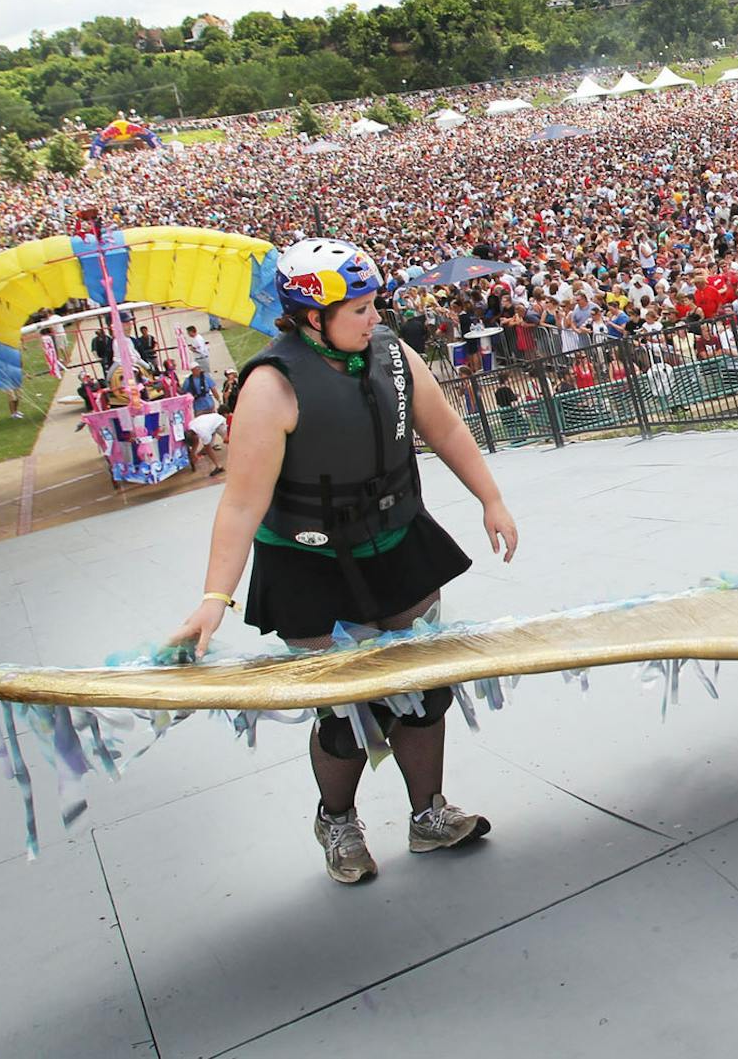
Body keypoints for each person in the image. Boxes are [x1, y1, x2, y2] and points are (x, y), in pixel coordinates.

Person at [164, 237, 520, 885]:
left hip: (397, 545)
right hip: (309, 568)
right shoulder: (273, 386)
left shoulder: (392, 353)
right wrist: (214, 600)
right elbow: (242, 505)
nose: (373, 317)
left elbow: (445, 429)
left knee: (421, 693)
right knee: (346, 711)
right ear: (309, 315)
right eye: (358, 307)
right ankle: (338, 820)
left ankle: (428, 815)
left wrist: (490, 498)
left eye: (373, 303)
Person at [184, 409, 229, 476]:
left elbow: (208, 449)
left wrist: (195, 454)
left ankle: (219, 467)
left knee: (226, 440)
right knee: (207, 445)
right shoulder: (191, 426)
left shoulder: (203, 432)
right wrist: (194, 454)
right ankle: (218, 466)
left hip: (219, 422)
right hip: (211, 422)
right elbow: (196, 441)